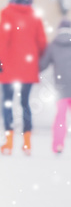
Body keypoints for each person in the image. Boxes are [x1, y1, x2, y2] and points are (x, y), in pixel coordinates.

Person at [0, 0, 47, 155]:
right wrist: (35, 60)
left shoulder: (7, 13)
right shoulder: (34, 15)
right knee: (25, 104)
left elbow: (4, 37)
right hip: (28, 68)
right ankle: (27, 144)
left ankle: (8, 143)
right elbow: (42, 43)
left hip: (9, 66)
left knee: (7, 103)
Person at [39, 18, 71, 154]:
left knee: (60, 117)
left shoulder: (53, 45)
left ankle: (58, 145)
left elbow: (42, 65)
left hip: (61, 88)